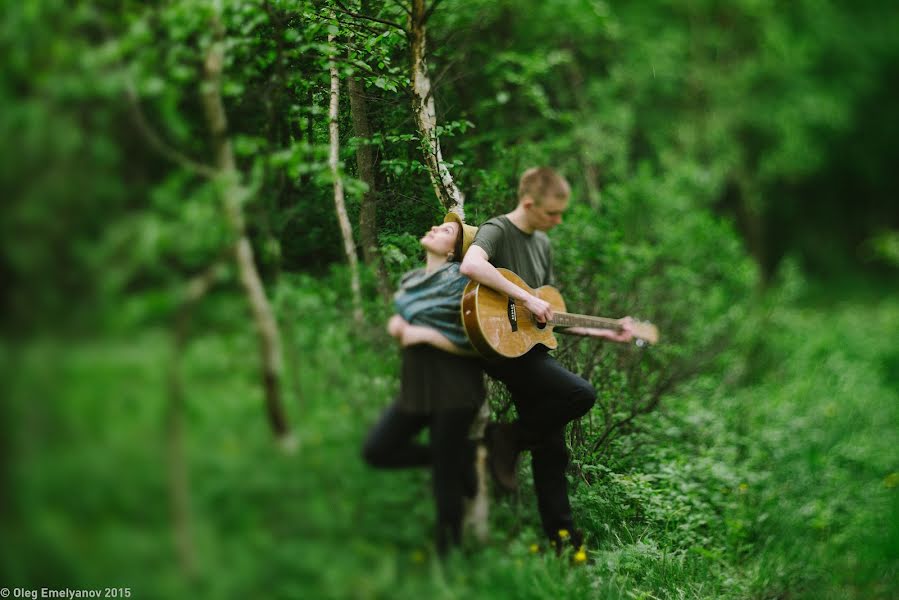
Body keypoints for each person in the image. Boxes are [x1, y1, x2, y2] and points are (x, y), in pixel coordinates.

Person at [459, 167, 634, 554]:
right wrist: (523, 298)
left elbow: (548, 314)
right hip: (500, 345)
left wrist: (605, 330)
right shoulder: (499, 229)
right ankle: (506, 437)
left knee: (552, 451)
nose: (558, 221)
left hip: (530, 349)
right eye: (552, 214)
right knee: (580, 394)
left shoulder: (543, 245)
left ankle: (563, 542)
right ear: (528, 203)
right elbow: (471, 265)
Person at [362, 212, 484, 556]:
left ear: (453, 252)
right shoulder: (413, 280)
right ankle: (459, 459)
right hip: (417, 386)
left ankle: (450, 556)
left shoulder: (464, 283)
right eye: (438, 225)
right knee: (377, 450)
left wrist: (427, 334)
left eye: (446, 231)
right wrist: (397, 324)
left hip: (454, 387)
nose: (434, 227)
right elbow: (405, 314)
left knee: (444, 480)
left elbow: (480, 342)